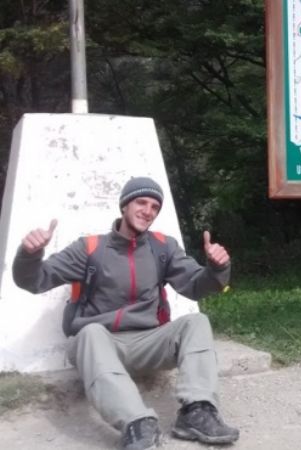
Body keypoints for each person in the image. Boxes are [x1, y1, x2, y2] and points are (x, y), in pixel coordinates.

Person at [12, 176, 239, 450]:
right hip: (101, 344)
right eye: (141, 202)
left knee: (196, 321)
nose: (148, 210)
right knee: (91, 332)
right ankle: (137, 422)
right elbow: (35, 280)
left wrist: (216, 268)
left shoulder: (163, 247)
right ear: (124, 206)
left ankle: (197, 411)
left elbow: (196, 286)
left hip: (148, 342)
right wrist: (29, 254)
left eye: (155, 206)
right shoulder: (90, 248)